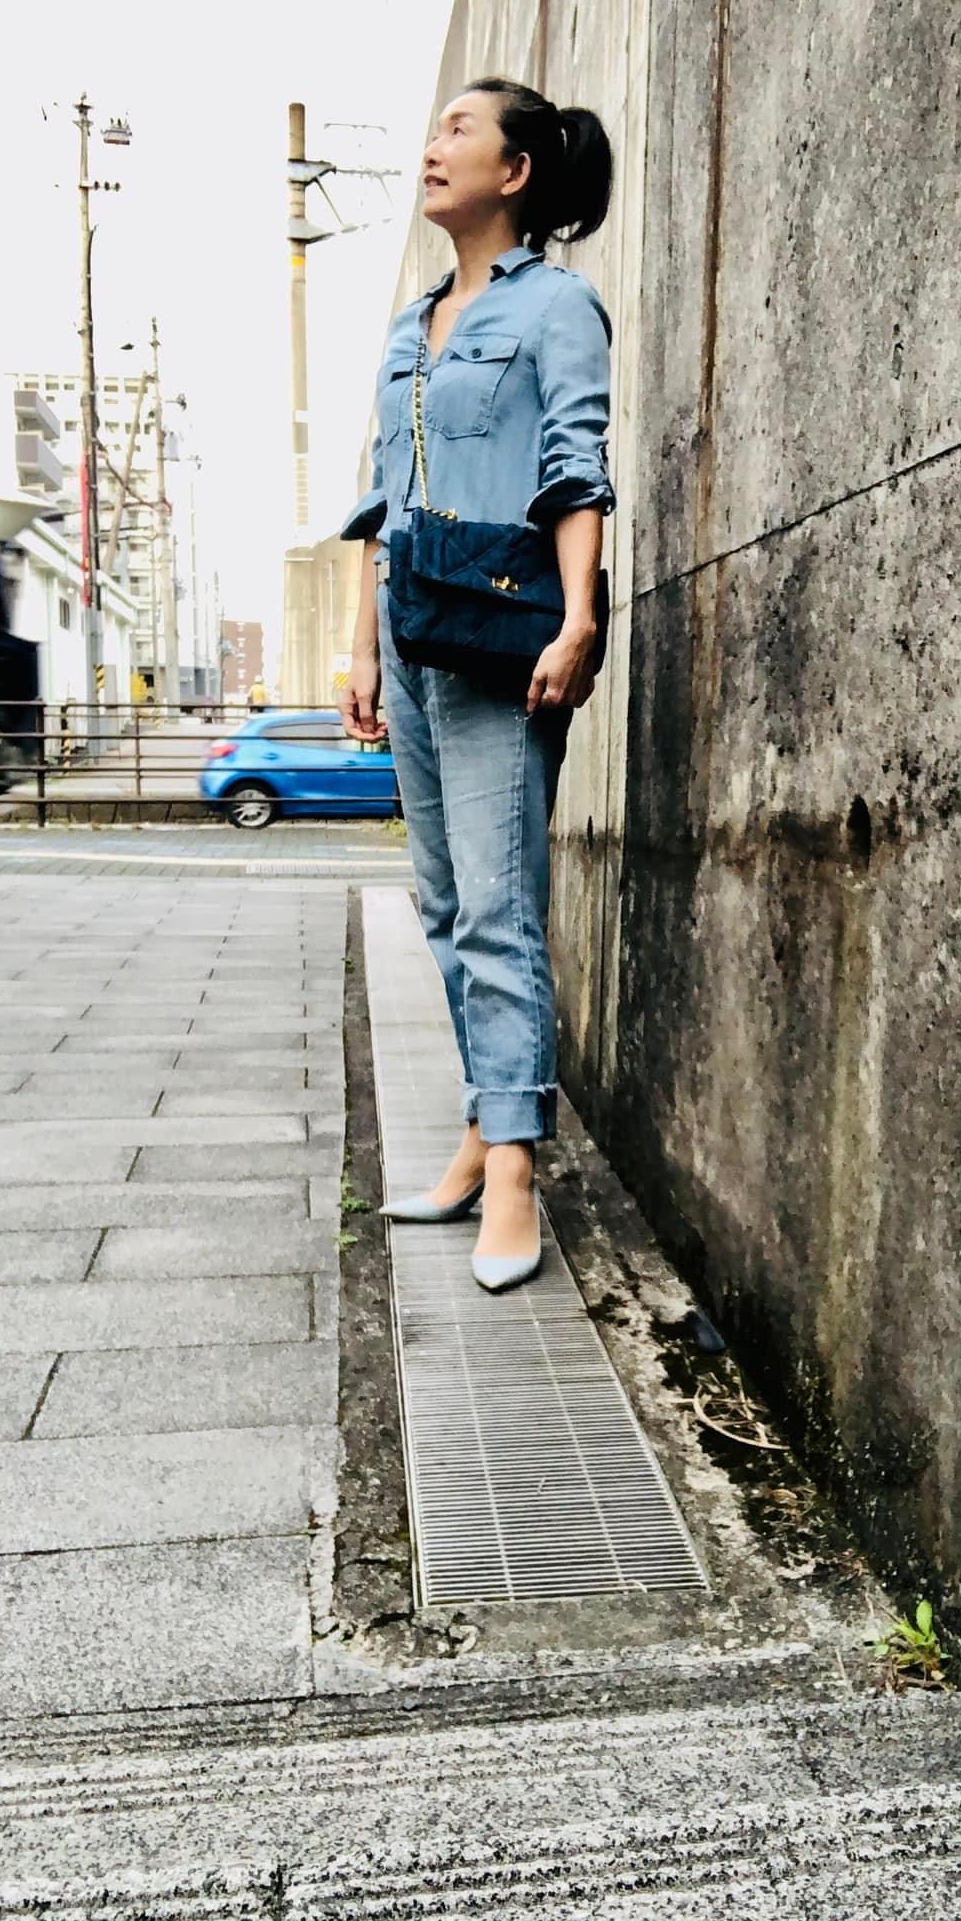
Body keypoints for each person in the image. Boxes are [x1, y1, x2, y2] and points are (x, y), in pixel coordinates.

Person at [337, 76, 615, 1294]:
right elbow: (382, 503)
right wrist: (360, 649)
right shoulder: (410, 328)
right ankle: (478, 1125)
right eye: (432, 125)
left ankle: (513, 1169)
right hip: (410, 633)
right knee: (445, 905)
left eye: (459, 128)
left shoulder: (555, 305)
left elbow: (575, 465)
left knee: (499, 908)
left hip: (502, 638)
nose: (432, 144)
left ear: (515, 172)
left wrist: (580, 617)